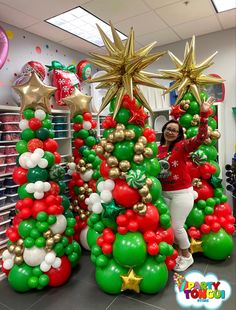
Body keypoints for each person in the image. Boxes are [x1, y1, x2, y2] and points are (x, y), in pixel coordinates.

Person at [157, 97, 214, 272]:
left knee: (177, 226)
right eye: (168, 129)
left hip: (182, 193)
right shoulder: (157, 150)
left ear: (179, 134)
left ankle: (186, 256)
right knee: (167, 225)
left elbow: (201, 137)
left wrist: (203, 115)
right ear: (163, 130)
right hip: (163, 193)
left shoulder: (182, 147)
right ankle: (176, 253)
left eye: (175, 130)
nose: (171, 132)